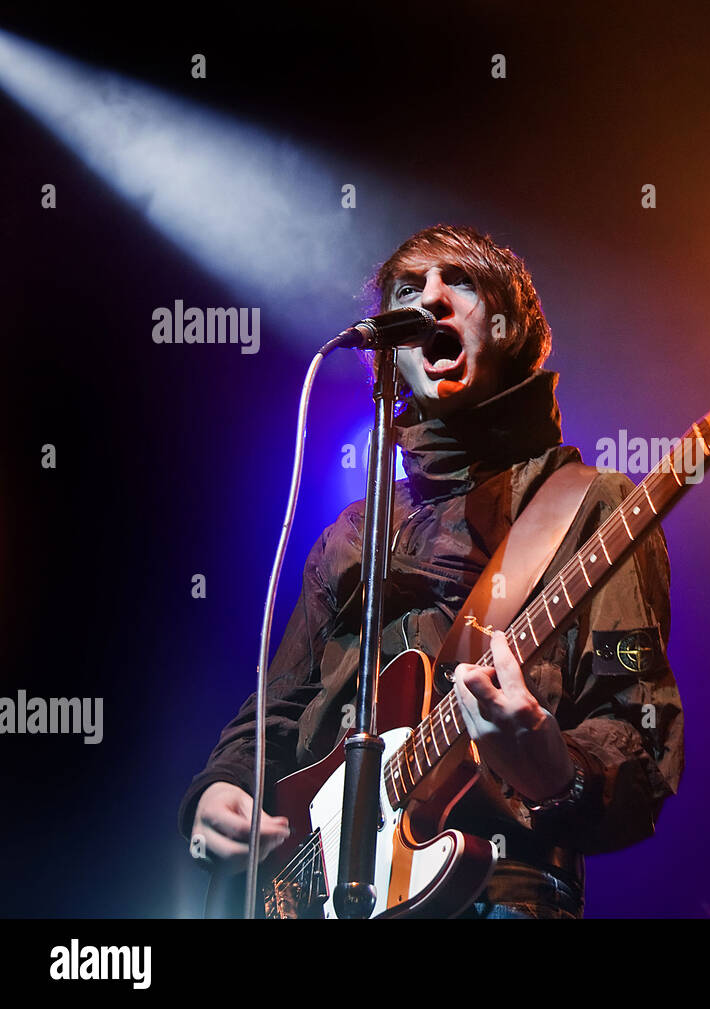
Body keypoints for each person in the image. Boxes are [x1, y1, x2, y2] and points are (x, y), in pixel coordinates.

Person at [178, 224, 684, 918]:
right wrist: (220, 787)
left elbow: (639, 724)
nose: (431, 298)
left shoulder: (589, 507)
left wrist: (555, 768)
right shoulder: (352, 533)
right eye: (408, 290)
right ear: (393, 354)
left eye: (460, 282)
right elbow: (276, 709)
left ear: (506, 324)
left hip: (495, 888)